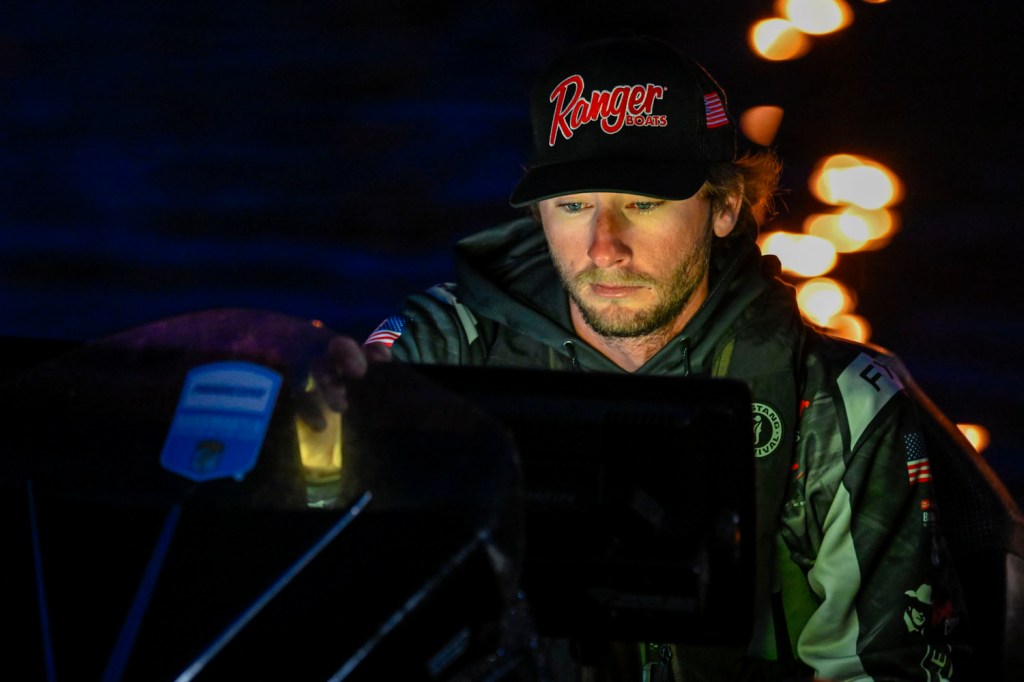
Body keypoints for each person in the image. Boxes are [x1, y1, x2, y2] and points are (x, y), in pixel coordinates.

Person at [312, 35, 977, 681]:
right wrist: (320, 423)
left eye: (643, 203)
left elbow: (884, 667)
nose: (604, 247)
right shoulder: (440, 354)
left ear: (724, 206)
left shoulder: (842, 405)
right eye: (574, 204)